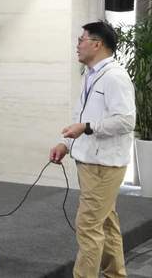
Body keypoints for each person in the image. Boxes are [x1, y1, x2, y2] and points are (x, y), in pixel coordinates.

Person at [49, 21, 135, 278]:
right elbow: (82, 116)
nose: (77, 45)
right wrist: (66, 144)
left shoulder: (115, 77)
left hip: (104, 165)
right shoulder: (91, 74)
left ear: (97, 44)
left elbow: (126, 121)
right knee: (106, 222)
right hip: (90, 162)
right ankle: (115, 274)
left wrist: (87, 127)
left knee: (87, 225)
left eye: (81, 40)